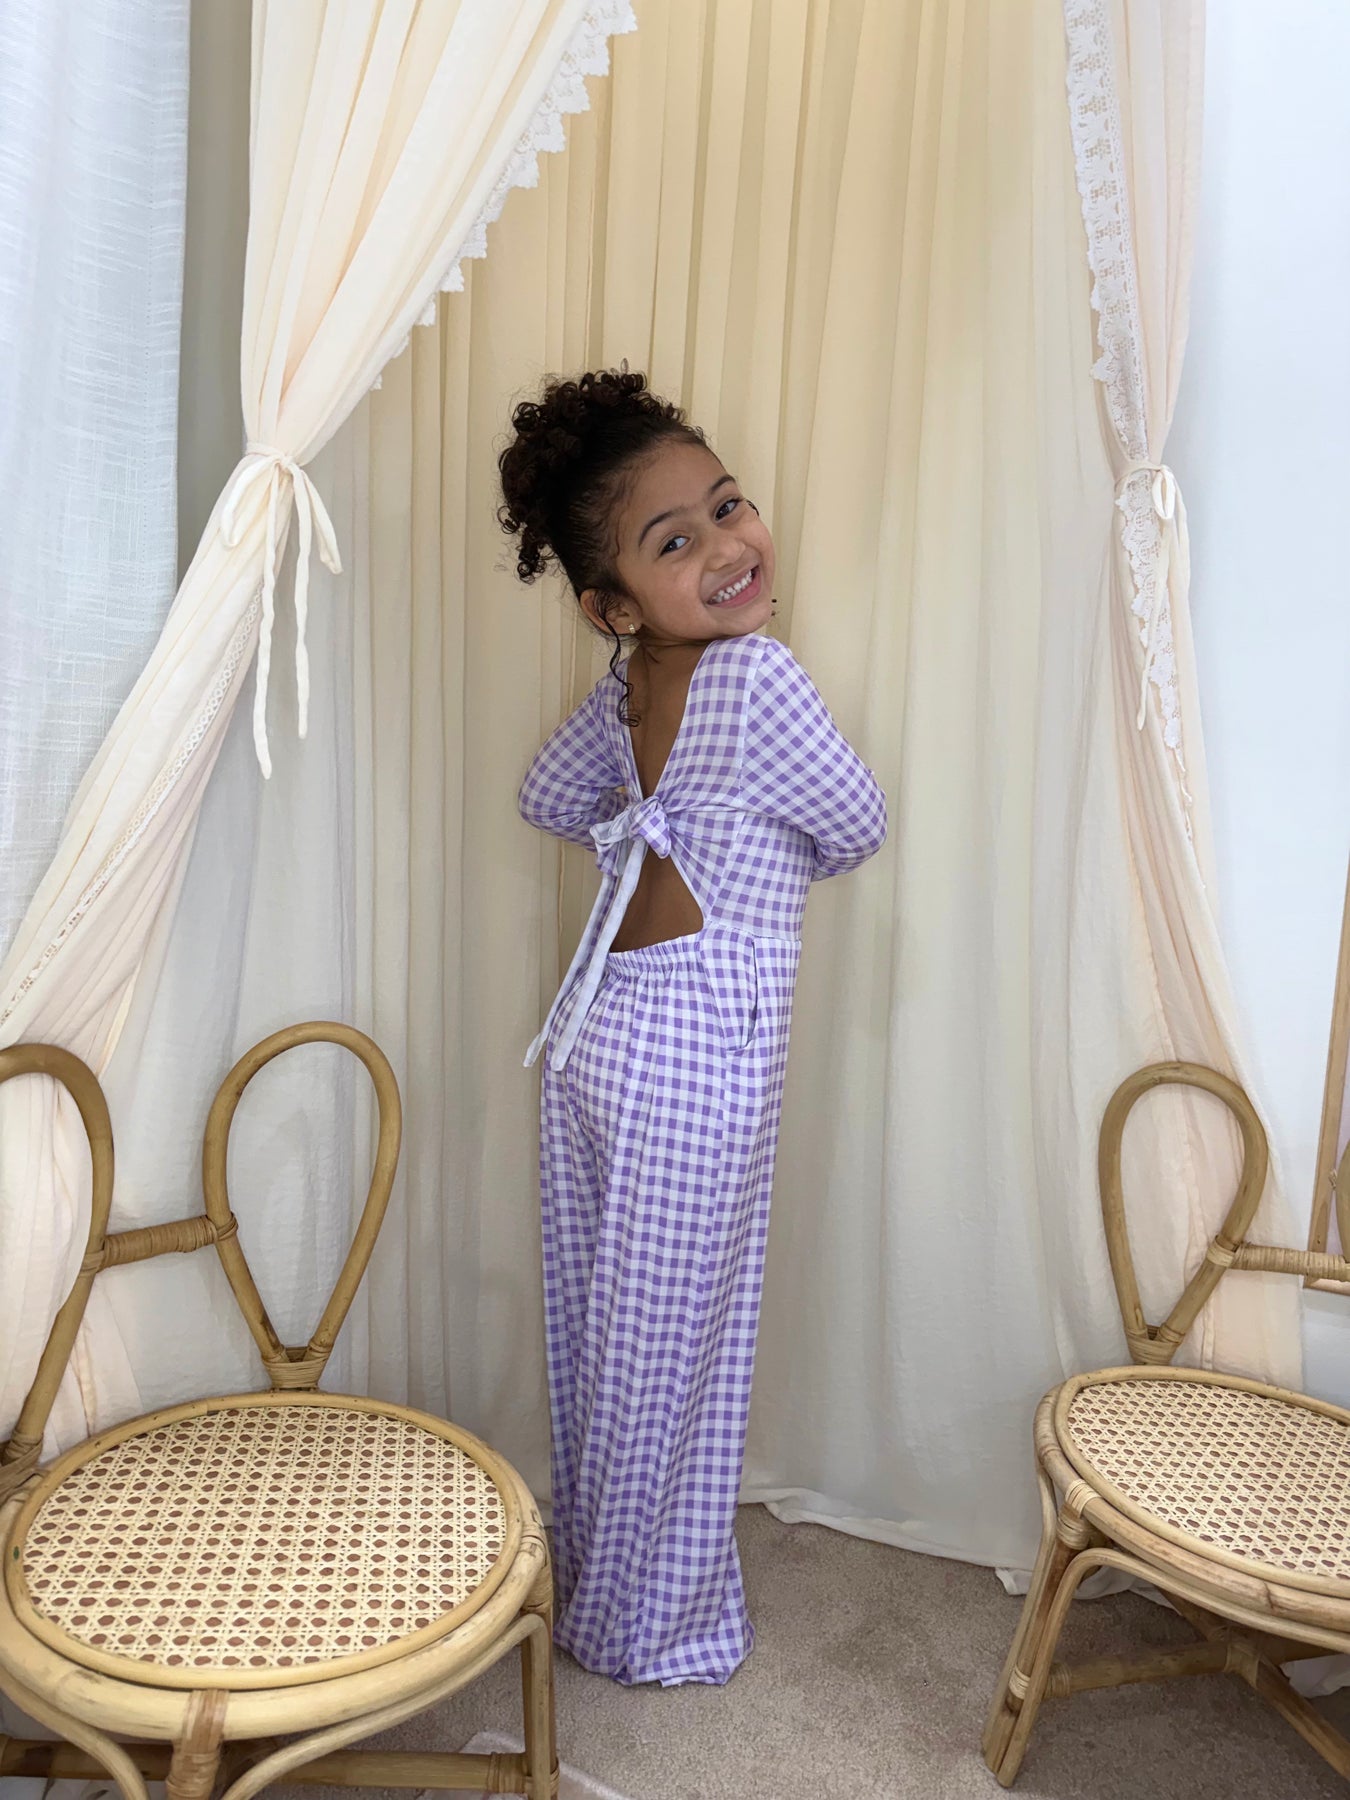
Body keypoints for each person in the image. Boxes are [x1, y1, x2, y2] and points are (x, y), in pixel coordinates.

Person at [501, 367, 887, 1686]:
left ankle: (591, 1580)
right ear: (610, 603)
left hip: (597, 1037)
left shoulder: (629, 694)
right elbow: (858, 824)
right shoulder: (758, 680)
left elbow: (544, 796)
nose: (727, 546)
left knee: (605, 1347)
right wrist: (737, 840)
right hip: (698, 1064)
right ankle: (643, 1626)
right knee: (677, 1364)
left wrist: (648, 820)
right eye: (675, 542)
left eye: (727, 507)